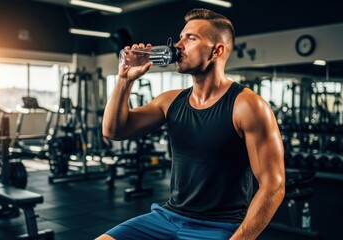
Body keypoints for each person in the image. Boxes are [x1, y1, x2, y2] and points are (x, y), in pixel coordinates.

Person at [98, 8, 285, 240]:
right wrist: (124, 80)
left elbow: (273, 185)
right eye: (181, 36)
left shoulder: (247, 106)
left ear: (217, 51)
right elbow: (113, 130)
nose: (178, 45)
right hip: (166, 217)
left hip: (218, 226)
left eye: (191, 38)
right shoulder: (170, 101)